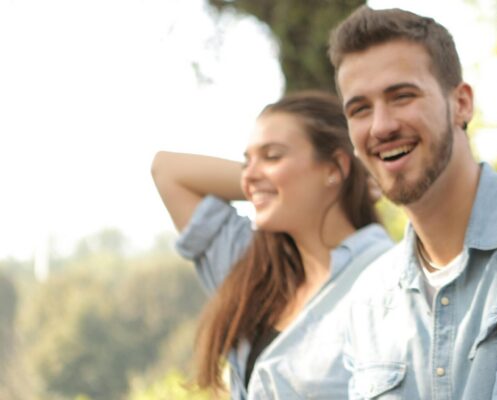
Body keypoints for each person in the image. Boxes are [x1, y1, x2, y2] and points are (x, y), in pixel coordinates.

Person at [327, 6, 497, 400]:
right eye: (360, 109)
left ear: (462, 103)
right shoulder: (367, 299)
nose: (381, 126)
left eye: (401, 96)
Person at [150, 91, 392, 399]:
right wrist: (263, 183)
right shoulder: (255, 274)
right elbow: (168, 171)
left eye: (272, 156)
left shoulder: (386, 279)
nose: (248, 174)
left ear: (334, 167)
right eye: (247, 161)